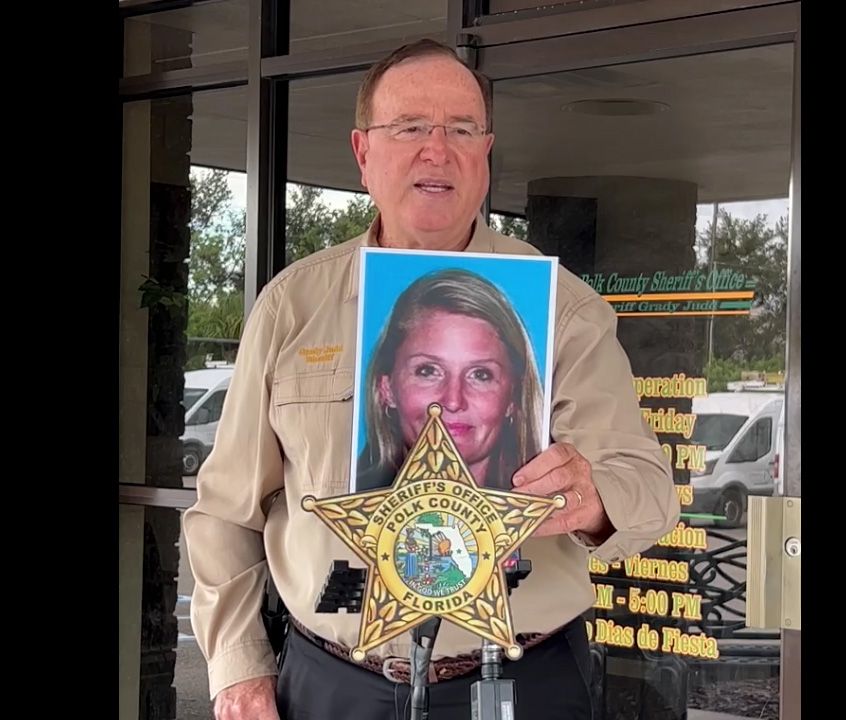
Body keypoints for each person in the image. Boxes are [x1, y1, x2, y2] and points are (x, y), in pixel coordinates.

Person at [183, 38, 680, 720]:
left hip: (520, 683)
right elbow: (224, 511)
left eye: (461, 130)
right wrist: (238, 668)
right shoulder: (293, 305)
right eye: (410, 127)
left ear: (486, 152)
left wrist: (595, 501)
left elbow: (649, 490)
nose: (436, 150)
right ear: (363, 153)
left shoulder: (561, 309)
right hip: (330, 684)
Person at [355, 267, 542, 492]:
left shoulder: (551, 513)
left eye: (480, 374)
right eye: (428, 371)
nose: (453, 401)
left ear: (513, 397)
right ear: (386, 389)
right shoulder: (334, 508)